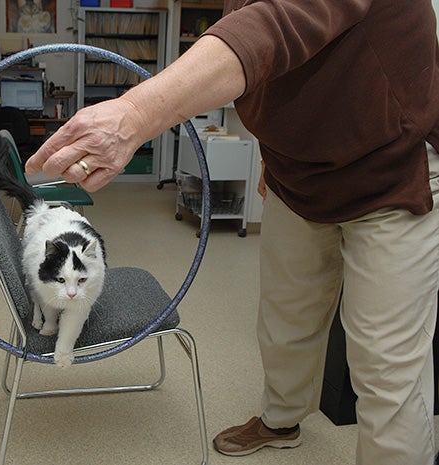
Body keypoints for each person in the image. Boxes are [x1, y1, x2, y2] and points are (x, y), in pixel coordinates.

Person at [25, 1, 439, 464]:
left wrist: (136, 115)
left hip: (391, 175)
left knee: (387, 370)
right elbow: (272, 64)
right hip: (297, 178)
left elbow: (276, 27)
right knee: (286, 322)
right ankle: (281, 421)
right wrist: (272, 155)